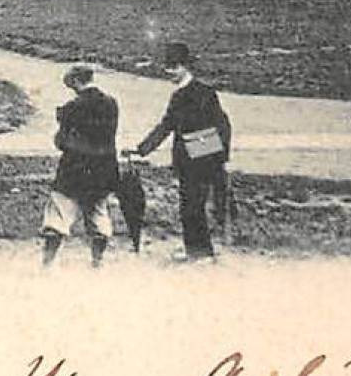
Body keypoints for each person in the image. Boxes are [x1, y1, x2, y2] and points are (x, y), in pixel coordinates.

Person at [129, 41, 232, 261]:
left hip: (200, 161)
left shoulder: (203, 93)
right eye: (168, 68)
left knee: (193, 207)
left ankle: (201, 253)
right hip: (191, 160)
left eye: (174, 67)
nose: (170, 72)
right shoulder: (185, 94)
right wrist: (142, 150)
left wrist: (213, 157)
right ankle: (196, 252)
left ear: (185, 67)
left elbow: (222, 125)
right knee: (189, 207)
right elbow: (167, 126)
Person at [41, 65, 121, 267]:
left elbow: (61, 141)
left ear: (76, 81)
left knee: (58, 214)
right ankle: (97, 262)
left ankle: (47, 264)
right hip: (104, 170)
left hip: (75, 169)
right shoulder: (112, 104)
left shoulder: (72, 108)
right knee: (98, 214)